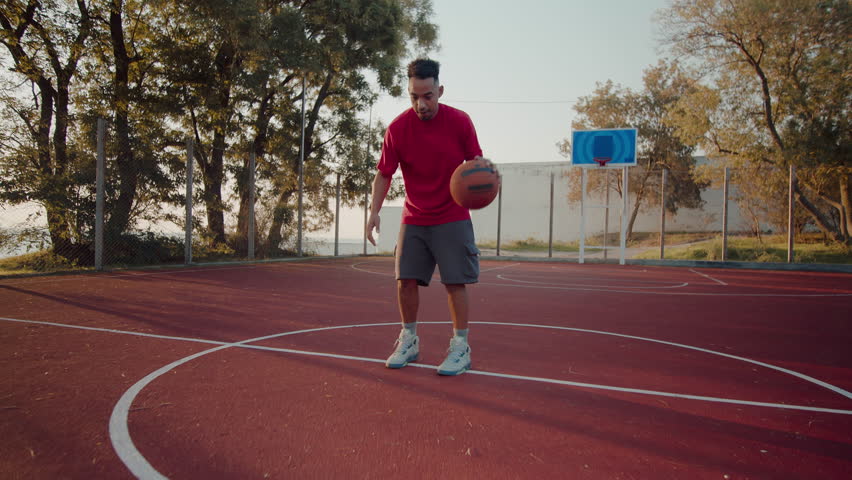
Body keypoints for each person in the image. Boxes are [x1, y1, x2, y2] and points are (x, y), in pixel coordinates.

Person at [366, 58, 490, 376]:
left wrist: (483, 180)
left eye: (427, 96)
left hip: (452, 214)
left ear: (440, 90)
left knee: (455, 283)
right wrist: (373, 213)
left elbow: (475, 161)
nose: (421, 103)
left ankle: (460, 347)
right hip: (415, 215)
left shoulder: (460, 121)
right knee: (404, 280)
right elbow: (384, 174)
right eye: (414, 96)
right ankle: (409, 340)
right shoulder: (397, 129)